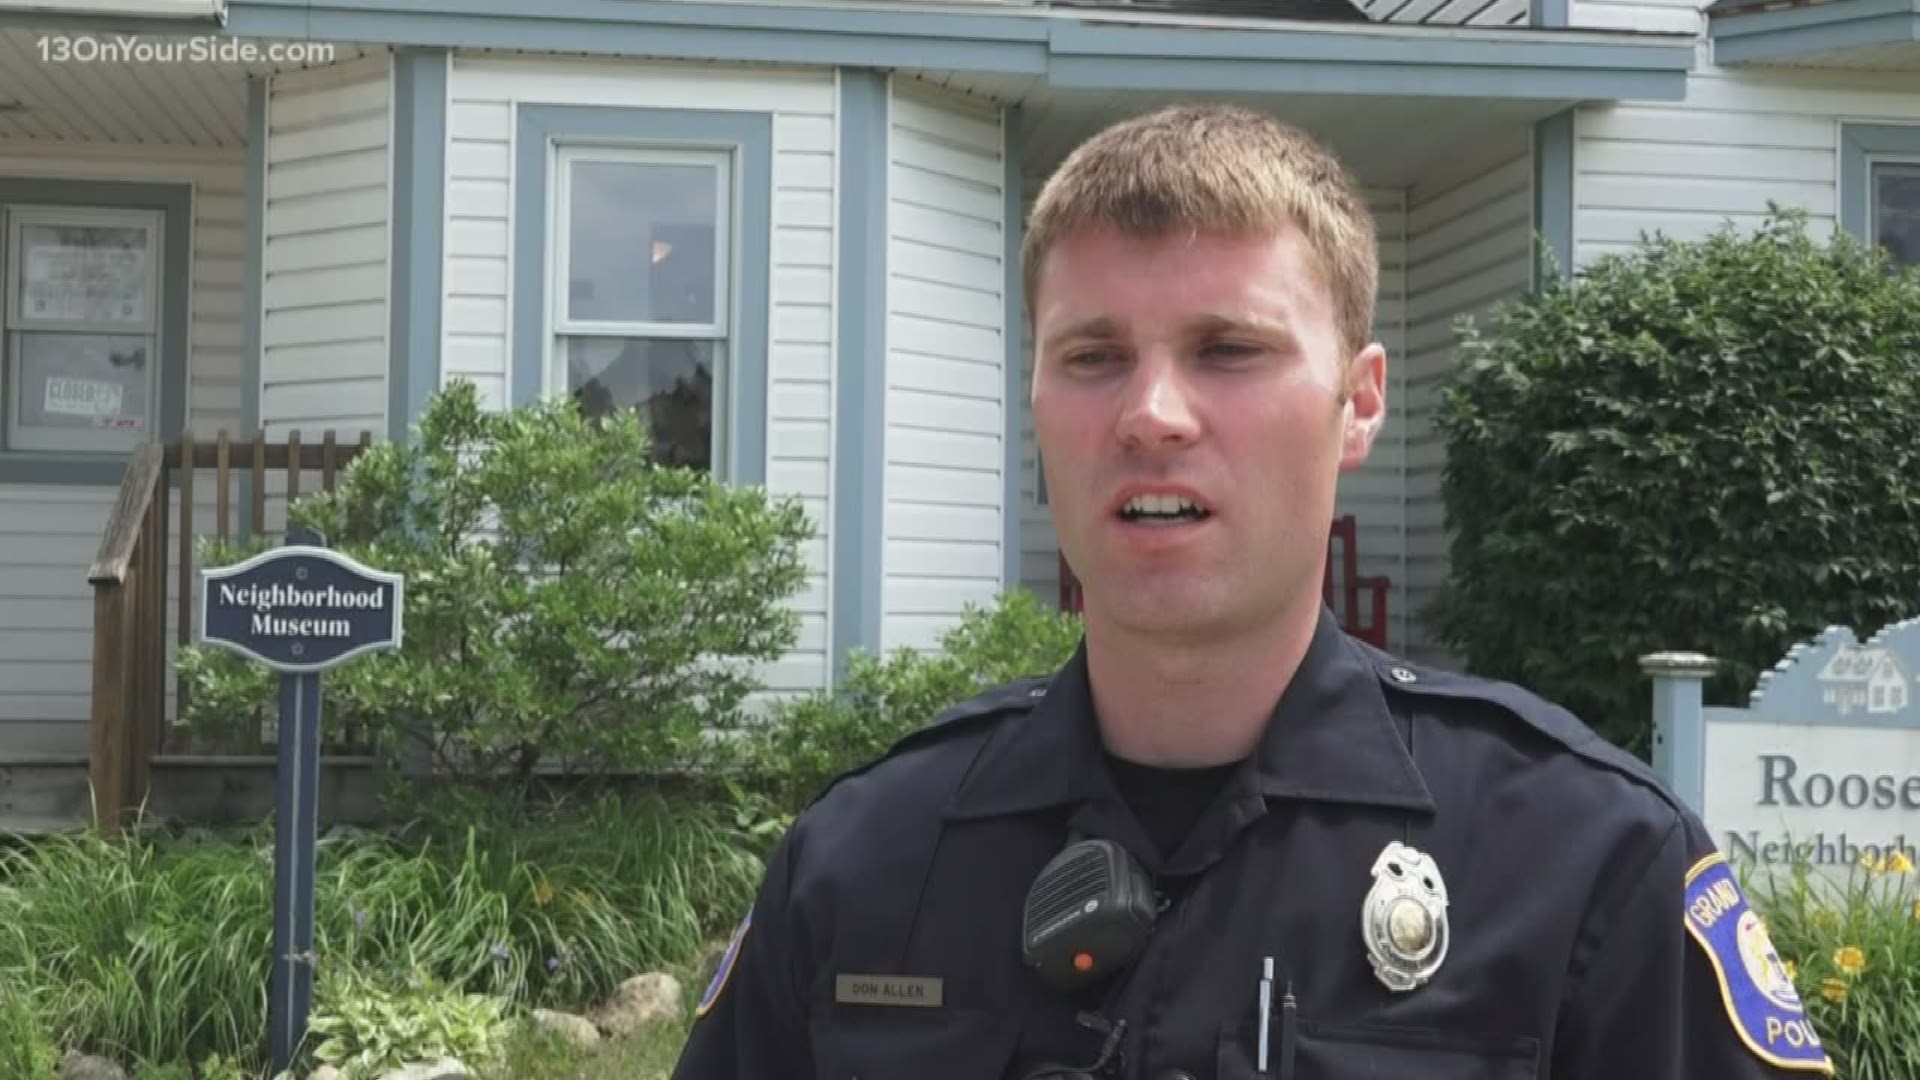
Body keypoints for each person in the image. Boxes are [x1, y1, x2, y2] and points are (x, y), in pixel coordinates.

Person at [669, 104, 1834, 1080]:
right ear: (1035, 403)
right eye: (1092, 357)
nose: (1152, 414)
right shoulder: (863, 865)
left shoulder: (1588, 867)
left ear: (1361, 402)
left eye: (1229, 349)